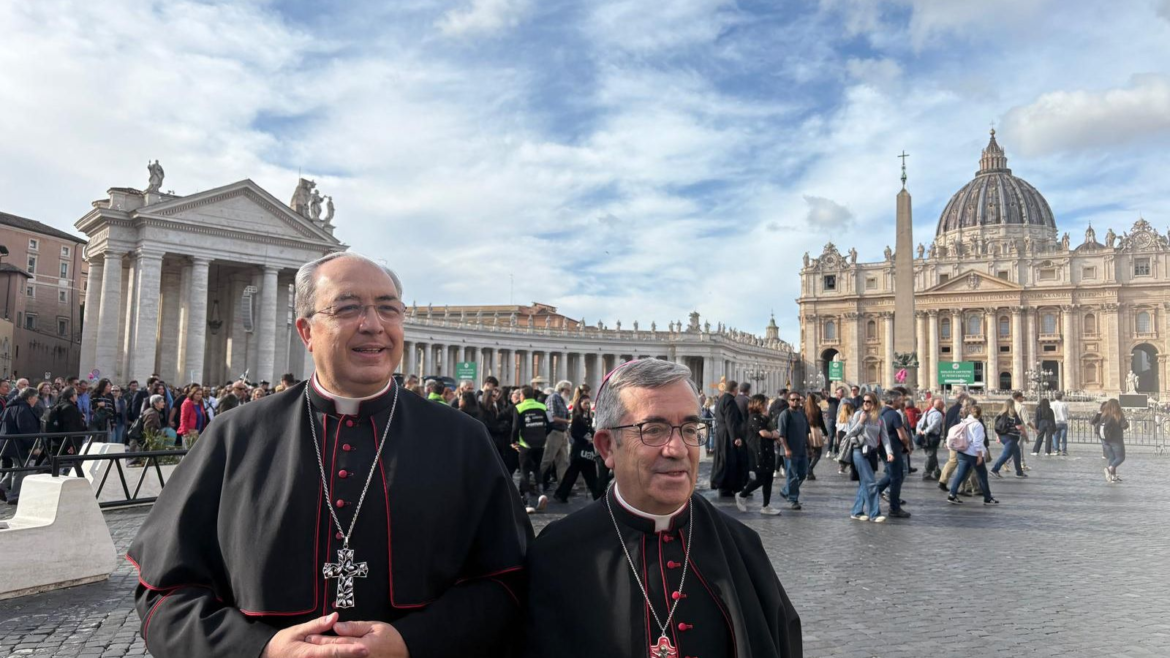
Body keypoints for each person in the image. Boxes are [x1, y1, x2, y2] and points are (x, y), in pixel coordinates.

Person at [128, 252, 531, 658]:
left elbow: (508, 581)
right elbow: (165, 593)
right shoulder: (235, 437)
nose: (373, 324)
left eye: (388, 309)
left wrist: (414, 643)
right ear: (307, 332)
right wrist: (259, 650)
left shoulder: (462, 439)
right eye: (347, 307)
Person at [522, 359, 803, 658]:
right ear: (606, 447)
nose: (679, 449)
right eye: (653, 429)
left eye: (691, 428)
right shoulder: (557, 553)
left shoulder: (743, 546)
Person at [841, 394, 891, 521]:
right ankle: (874, 514)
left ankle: (856, 511)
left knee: (864, 484)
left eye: (868, 401)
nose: (865, 403)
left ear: (874, 403)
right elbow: (850, 433)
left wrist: (889, 452)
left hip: (872, 453)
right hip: (859, 452)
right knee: (871, 483)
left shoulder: (880, 418)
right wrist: (861, 422)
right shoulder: (859, 415)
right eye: (863, 401)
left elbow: (885, 437)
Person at [735, 394, 781, 515]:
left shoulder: (765, 417)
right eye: (765, 403)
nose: (767, 405)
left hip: (768, 449)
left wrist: (775, 435)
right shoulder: (754, 418)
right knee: (760, 478)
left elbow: (772, 430)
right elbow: (763, 433)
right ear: (758, 404)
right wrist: (773, 435)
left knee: (769, 479)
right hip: (759, 451)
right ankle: (741, 494)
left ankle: (766, 505)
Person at [552, 394, 601, 503]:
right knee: (581, 474)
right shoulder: (577, 417)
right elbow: (574, 433)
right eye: (585, 403)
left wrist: (593, 437)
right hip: (579, 449)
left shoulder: (588, 417)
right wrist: (585, 440)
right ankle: (597, 496)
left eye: (588, 403)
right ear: (580, 404)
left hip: (587, 450)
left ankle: (561, 494)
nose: (587, 406)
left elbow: (590, 431)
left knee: (579, 474)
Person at [946, 404, 998, 506]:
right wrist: (979, 456)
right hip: (973, 454)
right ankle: (987, 498)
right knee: (982, 475)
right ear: (980, 414)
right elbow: (977, 442)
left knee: (960, 474)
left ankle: (952, 494)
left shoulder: (964, 421)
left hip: (962, 451)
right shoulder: (977, 425)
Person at [0, 387, 42, 505]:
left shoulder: (11, 407)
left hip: (9, 443)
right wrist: (33, 447)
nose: (37, 400)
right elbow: (26, 430)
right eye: (35, 398)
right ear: (29, 398)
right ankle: (14, 495)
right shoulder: (23, 410)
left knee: (17, 467)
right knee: (21, 469)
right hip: (18, 445)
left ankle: (2, 487)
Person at [512, 385, 550, 513]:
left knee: (524, 471)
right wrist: (544, 435)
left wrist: (513, 441)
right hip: (540, 443)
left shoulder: (519, 407)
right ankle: (541, 493)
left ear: (522, 395)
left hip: (526, 443)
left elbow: (516, 427)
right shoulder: (543, 406)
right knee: (537, 468)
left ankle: (527, 500)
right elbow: (551, 424)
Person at [874, 392, 911, 519]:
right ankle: (894, 508)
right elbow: (902, 435)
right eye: (899, 400)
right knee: (896, 478)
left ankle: (872, 493)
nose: (901, 402)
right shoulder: (894, 415)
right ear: (893, 400)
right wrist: (907, 445)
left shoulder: (880, 413)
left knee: (891, 475)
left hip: (883, 449)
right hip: (894, 450)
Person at [775, 391, 810, 511]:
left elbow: (806, 432)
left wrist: (809, 447)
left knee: (802, 474)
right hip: (790, 451)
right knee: (792, 476)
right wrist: (786, 449)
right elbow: (781, 435)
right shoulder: (785, 414)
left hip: (801, 450)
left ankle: (786, 490)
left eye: (797, 400)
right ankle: (793, 499)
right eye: (793, 400)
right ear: (789, 401)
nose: (795, 402)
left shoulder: (802, 414)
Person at [711, 380, 747, 496]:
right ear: (735, 390)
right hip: (728, 434)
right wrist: (735, 437)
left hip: (721, 433)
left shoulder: (720, 399)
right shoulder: (730, 401)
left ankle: (722, 484)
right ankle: (726, 486)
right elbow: (731, 421)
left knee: (722, 458)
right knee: (729, 460)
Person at [540, 380, 572, 492]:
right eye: (568, 390)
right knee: (547, 459)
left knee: (563, 461)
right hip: (554, 432)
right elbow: (552, 417)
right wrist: (568, 421)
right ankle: (539, 481)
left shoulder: (561, 400)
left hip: (562, 432)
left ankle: (562, 487)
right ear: (562, 389)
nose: (569, 393)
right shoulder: (553, 398)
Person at [1093, 399, 1128, 483]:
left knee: (1112, 457)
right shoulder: (1118, 415)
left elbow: (1092, 421)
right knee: (1120, 457)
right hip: (1116, 440)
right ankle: (1109, 469)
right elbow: (1124, 425)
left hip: (1105, 440)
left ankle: (1113, 476)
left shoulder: (1103, 414)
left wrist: (1098, 414)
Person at [916, 398, 945, 480]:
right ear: (939, 405)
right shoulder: (938, 414)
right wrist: (925, 431)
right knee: (930, 456)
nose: (943, 407)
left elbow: (919, 422)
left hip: (924, 437)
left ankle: (937, 472)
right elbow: (933, 426)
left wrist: (919, 430)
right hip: (932, 438)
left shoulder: (926, 412)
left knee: (932, 455)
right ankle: (926, 474)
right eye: (942, 405)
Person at [804, 393, 827, 480]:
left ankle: (809, 473)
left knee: (809, 453)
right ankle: (809, 470)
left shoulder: (804, 408)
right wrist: (826, 433)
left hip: (806, 431)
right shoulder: (817, 408)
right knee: (818, 453)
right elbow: (821, 423)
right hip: (815, 431)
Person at [1051, 391, 1070, 456]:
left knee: (1055, 437)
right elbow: (1067, 413)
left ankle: (1056, 450)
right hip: (1064, 422)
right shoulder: (1065, 404)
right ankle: (1064, 451)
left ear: (1055, 397)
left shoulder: (1052, 404)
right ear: (1061, 397)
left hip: (1055, 422)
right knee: (1064, 438)